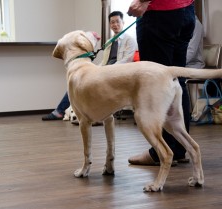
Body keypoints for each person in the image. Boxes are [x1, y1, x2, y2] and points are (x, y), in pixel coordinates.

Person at [127, 0, 196, 166]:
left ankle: (161, 152)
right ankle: (178, 149)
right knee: (176, 81)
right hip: (185, 11)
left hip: (160, 14)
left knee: (156, 85)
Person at [42, 11, 137, 121]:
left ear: (123, 22)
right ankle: (62, 111)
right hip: (106, 70)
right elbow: (104, 60)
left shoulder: (130, 40)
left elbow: (127, 60)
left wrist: (107, 70)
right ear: (110, 25)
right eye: (112, 22)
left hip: (118, 71)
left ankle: (84, 115)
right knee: (76, 81)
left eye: (117, 22)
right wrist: (95, 68)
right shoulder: (109, 41)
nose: (115, 25)